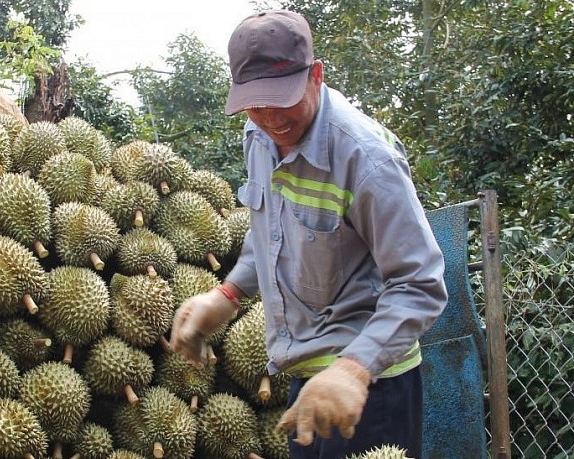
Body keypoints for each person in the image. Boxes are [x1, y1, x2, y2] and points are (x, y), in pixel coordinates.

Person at [169, 9, 448, 459]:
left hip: (373, 385)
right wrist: (228, 295)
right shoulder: (257, 137)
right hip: (306, 377)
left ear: (315, 75)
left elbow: (420, 284)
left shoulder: (367, 160)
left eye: (284, 100)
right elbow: (273, 235)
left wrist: (355, 369)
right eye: (256, 105)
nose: (272, 119)